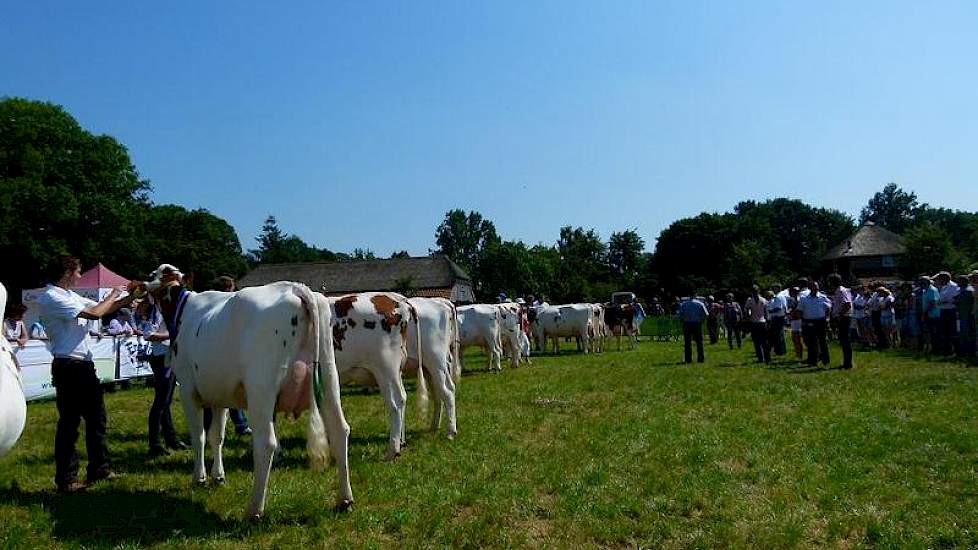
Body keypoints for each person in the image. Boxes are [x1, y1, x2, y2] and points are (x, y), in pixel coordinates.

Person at [37, 255, 136, 492]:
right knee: (69, 424)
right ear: (68, 272)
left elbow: (101, 308)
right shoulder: (51, 297)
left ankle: (100, 468)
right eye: (79, 271)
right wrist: (113, 295)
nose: (81, 276)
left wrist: (130, 298)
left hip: (82, 364)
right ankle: (66, 479)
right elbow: (94, 314)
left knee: (97, 419)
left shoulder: (70, 296)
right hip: (68, 365)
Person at [136, 300, 187, 456]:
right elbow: (148, 334)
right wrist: (174, 334)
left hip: (167, 356)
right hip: (162, 358)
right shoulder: (155, 312)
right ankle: (155, 443)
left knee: (165, 402)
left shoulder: (164, 309)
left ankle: (170, 438)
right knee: (161, 402)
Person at [202, 275, 251, 436]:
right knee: (217, 394)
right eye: (230, 288)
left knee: (226, 391)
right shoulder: (224, 306)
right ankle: (214, 426)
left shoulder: (211, 306)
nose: (232, 291)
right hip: (220, 355)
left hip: (222, 354)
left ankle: (238, 424)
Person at [798, 280, 832, 367]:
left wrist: (827, 318)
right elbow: (800, 310)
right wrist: (803, 321)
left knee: (822, 342)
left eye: (817, 287)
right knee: (811, 343)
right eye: (813, 287)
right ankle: (813, 361)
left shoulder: (823, 297)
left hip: (820, 321)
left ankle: (825, 360)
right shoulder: (804, 298)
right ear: (809, 288)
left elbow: (828, 308)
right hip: (808, 321)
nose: (816, 289)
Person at [827, 274, 854, 369]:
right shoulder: (838, 291)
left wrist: (839, 316)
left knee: (845, 340)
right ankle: (846, 362)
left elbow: (847, 304)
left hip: (844, 318)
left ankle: (848, 363)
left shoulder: (841, 291)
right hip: (842, 318)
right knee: (843, 340)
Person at [678, 295, 708, 363]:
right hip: (697, 323)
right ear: (695, 296)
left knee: (687, 342)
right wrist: (702, 320)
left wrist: (683, 320)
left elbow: (680, 315)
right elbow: (706, 314)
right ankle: (701, 359)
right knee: (699, 342)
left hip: (687, 323)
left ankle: (688, 359)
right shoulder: (700, 303)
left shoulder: (683, 304)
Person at [935, 271, 959, 355]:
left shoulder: (953, 286)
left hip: (950, 310)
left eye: (939, 278)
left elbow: (953, 299)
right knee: (944, 331)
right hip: (943, 310)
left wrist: (943, 302)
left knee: (951, 331)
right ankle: (947, 350)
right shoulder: (943, 287)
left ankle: (955, 350)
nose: (938, 280)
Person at [744, 285, 769, 363]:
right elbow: (766, 311)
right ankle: (767, 358)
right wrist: (767, 320)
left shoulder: (750, 300)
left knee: (757, 342)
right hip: (762, 322)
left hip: (754, 322)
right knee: (764, 342)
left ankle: (761, 358)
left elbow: (746, 310)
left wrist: (748, 318)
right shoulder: (763, 300)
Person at [919, 276, 941, 355]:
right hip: (928, 314)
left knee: (934, 333)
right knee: (929, 332)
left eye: (923, 282)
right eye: (920, 283)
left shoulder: (932, 290)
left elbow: (933, 303)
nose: (921, 284)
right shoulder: (925, 291)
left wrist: (924, 313)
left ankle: (936, 349)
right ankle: (932, 348)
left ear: (928, 282)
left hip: (934, 315)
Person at [955, 275, 975, 358]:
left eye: (958, 281)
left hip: (967, 315)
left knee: (968, 333)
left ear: (963, 282)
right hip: (962, 315)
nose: (957, 283)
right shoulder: (962, 290)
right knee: (962, 333)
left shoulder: (968, 291)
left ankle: (969, 351)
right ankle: (964, 351)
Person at [765, 289, 787, 356]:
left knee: (777, 335)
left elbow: (778, 308)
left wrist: (770, 311)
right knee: (776, 336)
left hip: (776, 319)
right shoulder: (769, 301)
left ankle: (780, 350)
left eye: (768, 295)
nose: (767, 296)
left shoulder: (773, 301)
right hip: (773, 319)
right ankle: (778, 350)